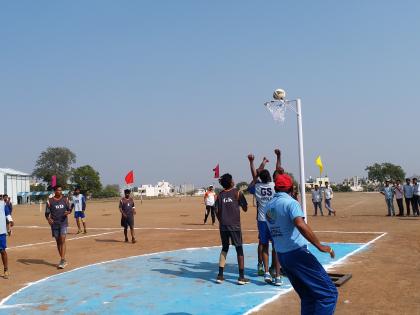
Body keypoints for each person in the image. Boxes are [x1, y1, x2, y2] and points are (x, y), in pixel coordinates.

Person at [265, 173, 337, 315]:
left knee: (308, 296)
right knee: (329, 294)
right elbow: (300, 224)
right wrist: (320, 246)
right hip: (297, 253)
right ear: (291, 188)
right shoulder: (291, 203)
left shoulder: (268, 206)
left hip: (283, 256)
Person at [247, 154, 282, 286]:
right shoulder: (274, 186)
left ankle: (266, 271)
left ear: (260, 178)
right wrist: (278, 156)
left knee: (264, 246)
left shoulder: (257, 187)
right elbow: (278, 171)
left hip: (262, 220)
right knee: (276, 247)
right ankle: (277, 276)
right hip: (274, 220)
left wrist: (251, 163)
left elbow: (254, 177)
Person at [215, 173, 249, 285]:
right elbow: (245, 208)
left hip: (223, 226)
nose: (234, 180)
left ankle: (220, 275)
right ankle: (241, 277)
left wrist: (221, 220)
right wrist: (242, 203)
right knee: (239, 249)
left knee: (224, 248)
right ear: (230, 182)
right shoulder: (237, 193)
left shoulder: (219, 195)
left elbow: (216, 211)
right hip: (235, 226)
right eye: (232, 179)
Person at [45, 185, 72, 269]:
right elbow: (46, 214)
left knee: (62, 240)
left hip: (63, 223)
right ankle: (63, 259)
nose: (60, 192)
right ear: (54, 191)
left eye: (61, 190)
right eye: (58, 190)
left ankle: (62, 259)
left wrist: (68, 212)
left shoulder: (65, 199)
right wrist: (48, 219)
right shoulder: (49, 201)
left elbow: (69, 209)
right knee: (58, 242)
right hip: (54, 224)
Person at [0, 197, 13, 279]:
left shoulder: (2, 204)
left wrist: (11, 220)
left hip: (1, 231)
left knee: (2, 251)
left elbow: (7, 213)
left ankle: (6, 270)